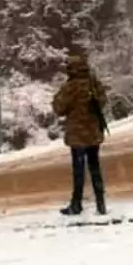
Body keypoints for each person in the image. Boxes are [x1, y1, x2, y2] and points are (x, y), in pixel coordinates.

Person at [52, 53, 110, 216]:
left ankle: (76, 204)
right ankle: (101, 203)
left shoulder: (70, 87)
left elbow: (59, 108)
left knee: (78, 171)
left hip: (77, 135)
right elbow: (103, 101)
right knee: (95, 167)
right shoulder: (93, 83)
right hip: (93, 133)